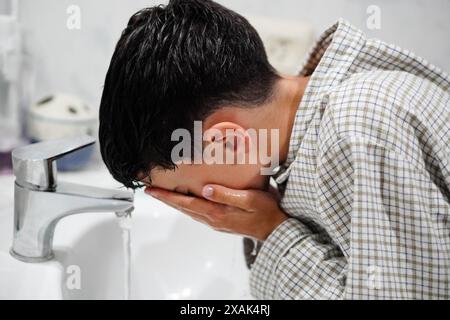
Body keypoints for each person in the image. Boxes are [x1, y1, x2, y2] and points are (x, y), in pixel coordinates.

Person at [99, 0, 450, 299]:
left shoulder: (355, 129)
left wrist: (272, 230)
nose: (198, 207)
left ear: (226, 142)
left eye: (188, 192)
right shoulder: (319, 123)